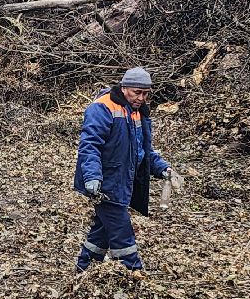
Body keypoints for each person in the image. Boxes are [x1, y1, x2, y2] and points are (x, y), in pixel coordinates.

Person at [72, 67, 174, 273]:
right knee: (122, 234)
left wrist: (162, 168)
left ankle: (83, 269)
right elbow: (89, 146)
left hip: (123, 183)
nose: (141, 98)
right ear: (124, 87)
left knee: (100, 233)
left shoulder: (138, 112)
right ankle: (134, 274)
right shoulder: (102, 108)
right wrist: (92, 177)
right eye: (137, 92)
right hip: (105, 185)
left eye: (145, 94)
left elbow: (143, 150)